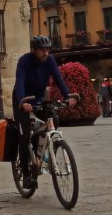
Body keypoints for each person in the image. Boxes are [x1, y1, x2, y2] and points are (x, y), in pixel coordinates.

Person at [13, 35, 76, 189]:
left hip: (39, 100)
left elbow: (58, 78)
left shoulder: (50, 60)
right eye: (42, 50)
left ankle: (48, 149)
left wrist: (68, 96)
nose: (45, 53)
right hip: (22, 100)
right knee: (25, 133)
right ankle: (27, 174)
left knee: (54, 119)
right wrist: (23, 101)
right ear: (34, 50)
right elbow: (20, 81)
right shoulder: (24, 61)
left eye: (47, 50)